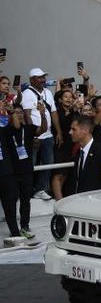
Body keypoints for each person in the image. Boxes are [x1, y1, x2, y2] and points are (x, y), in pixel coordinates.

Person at [0, 100, 46, 238]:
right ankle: (14, 231)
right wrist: (10, 113)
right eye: (16, 112)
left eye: (20, 112)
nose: (19, 115)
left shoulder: (29, 128)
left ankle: (24, 227)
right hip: (11, 173)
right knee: (10, 203)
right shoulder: (6, 130)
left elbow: (42, 130)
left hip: (26, 171)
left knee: (26, 201)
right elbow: (13, 123)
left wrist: (43, 115)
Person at [21, 68, 62, 200]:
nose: (43, 79)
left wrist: (59, 131)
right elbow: (27, 116)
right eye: (39, 77)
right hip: (34, 136)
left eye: (43, 77)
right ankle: (26, 191)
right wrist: (33, 136)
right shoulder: (26, 93)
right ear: (32, 79)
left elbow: (54, 113)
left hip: (48, 135)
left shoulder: (48, 93)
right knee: (30, 165)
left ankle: (40, 189)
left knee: (48, 163)